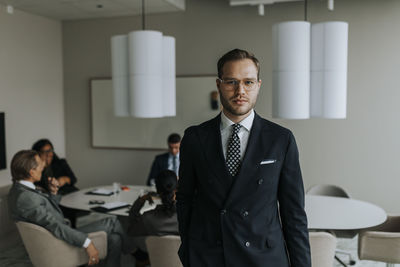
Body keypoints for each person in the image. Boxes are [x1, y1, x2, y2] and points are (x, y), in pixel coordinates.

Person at [176, 49, 311, 267]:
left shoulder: (281, 139)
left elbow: (293, 213)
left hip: (263, 257)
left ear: (258, 85)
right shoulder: (195, 137)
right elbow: (184, 199)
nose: (240, 91)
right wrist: (189, 249)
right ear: (219, 84)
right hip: (209, 257)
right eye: (231, 82)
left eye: (248, 82)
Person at [8, 150, 129, 267]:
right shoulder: (26, 197)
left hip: (56, 235)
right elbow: (54, 225)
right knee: (112, 221)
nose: (44, 165)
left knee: (115, 238)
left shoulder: (18, 190)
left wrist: (53, 193)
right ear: (31, 172)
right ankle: (137, 254)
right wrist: (87, 243)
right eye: (40, 164)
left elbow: (44, 211)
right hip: (58, 242)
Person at [128, 170, 179, 266]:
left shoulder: (149, 218)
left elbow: (131, 228)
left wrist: (141, 200)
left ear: (157, 190)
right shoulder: (189, 215)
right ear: (176, 188)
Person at [32, 138, 82, 227]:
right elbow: (41, 185)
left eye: (50, 150)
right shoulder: (37, 169)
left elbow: (73, 179)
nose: (49, 154)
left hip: (70, 193)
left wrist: (65, 179)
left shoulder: (60, 163)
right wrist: (43, 165)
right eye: (45, 152)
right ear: (38, 154)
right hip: (57, 198)